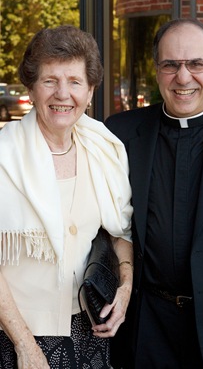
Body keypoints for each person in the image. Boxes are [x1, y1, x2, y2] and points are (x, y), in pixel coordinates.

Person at [105, 18, 203, 369]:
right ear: (156, 69)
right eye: (170, 65)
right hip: (147, 327)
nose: (183, 77)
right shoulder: (119, 133)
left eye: (195, 63)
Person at [0, 25, 133, 369]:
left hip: (89, 333)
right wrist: (25, 347)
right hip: (15, 337)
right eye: (50, 81)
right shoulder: (4, 156)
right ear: (31, 87)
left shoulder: (105, 150)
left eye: (75, 82)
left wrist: (126, 287)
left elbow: (120, 231)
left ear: (90, 91)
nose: (63, 94)